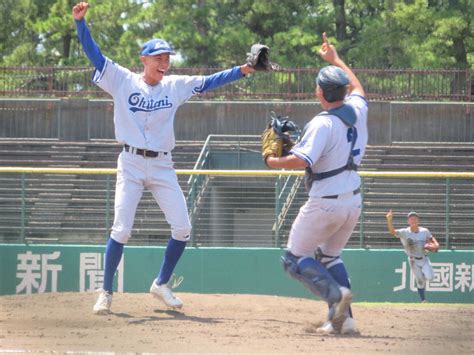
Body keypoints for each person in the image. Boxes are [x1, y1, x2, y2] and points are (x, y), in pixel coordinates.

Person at [72, 2, 256, 315]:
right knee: (122, 229)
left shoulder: (174, 86)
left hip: (161, 164)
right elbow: (95, 55)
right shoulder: (121, 79)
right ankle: (105, 291)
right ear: (143, 59)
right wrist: (80, 24)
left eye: (167, 57)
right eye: (158, 57)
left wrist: (244, 70)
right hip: (130, 162)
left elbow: (211, 80)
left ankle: (161, 283)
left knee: (183, 228)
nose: (164, 62)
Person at [265, 33, 368, 335]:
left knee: (293, 259)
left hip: (326, 201)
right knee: (330, 256)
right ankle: (345, 321)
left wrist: (272, 161)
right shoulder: (358, 111)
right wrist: (336, 60)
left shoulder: (322, 123)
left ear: (321, 92)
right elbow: (358, 87)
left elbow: (302, 161)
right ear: (343, 91)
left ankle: (335, 298)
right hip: (352, 201)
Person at [386, 210, 439, 302]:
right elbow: (393, 232)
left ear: (418, 220)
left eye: (415, 218)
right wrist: (389, 220)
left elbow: (431, 238)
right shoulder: (404, 232)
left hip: (424, 258)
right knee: (419, 281)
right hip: (413, 260)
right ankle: (423, 300)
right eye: (411, 218)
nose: (413, 220)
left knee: (430, 278)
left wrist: (436, 244)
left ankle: (423, 276)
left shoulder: (424, 231)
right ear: (408, 221)